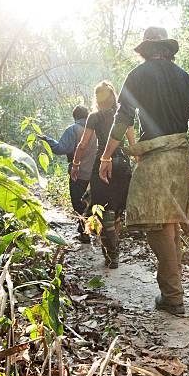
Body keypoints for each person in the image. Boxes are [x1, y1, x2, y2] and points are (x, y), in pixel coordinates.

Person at [98, 27, 189, 315]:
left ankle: (173, 296)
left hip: (153, 157)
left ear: (146, 50)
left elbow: (122, 119)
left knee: (157, 223)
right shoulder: (185, 77)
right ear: (168, 50)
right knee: (169, 222)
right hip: (179, 157)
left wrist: (106, 156)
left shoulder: (137, 76)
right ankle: (171, 291)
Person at [71, 81, 135, 268]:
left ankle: (111, 253)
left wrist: (75, 164)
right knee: (116, 210)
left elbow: (83, 145)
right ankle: (114, 251)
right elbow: (132, 144)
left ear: (97, 98)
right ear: (114, 97)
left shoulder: (94, 117)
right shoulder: (124, 116)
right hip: (122, 165)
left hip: (102, 165)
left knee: (102, 209)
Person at [37, 105, 96, 243]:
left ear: (74, 116)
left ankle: (85, 233)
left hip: (78, 173)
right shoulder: (95, 129)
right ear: (87, 116)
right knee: (93, 203)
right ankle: (89, 230)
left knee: (78, 203)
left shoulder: (73, 129)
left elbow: (61, 148)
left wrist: (47, 140)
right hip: (94, 174)